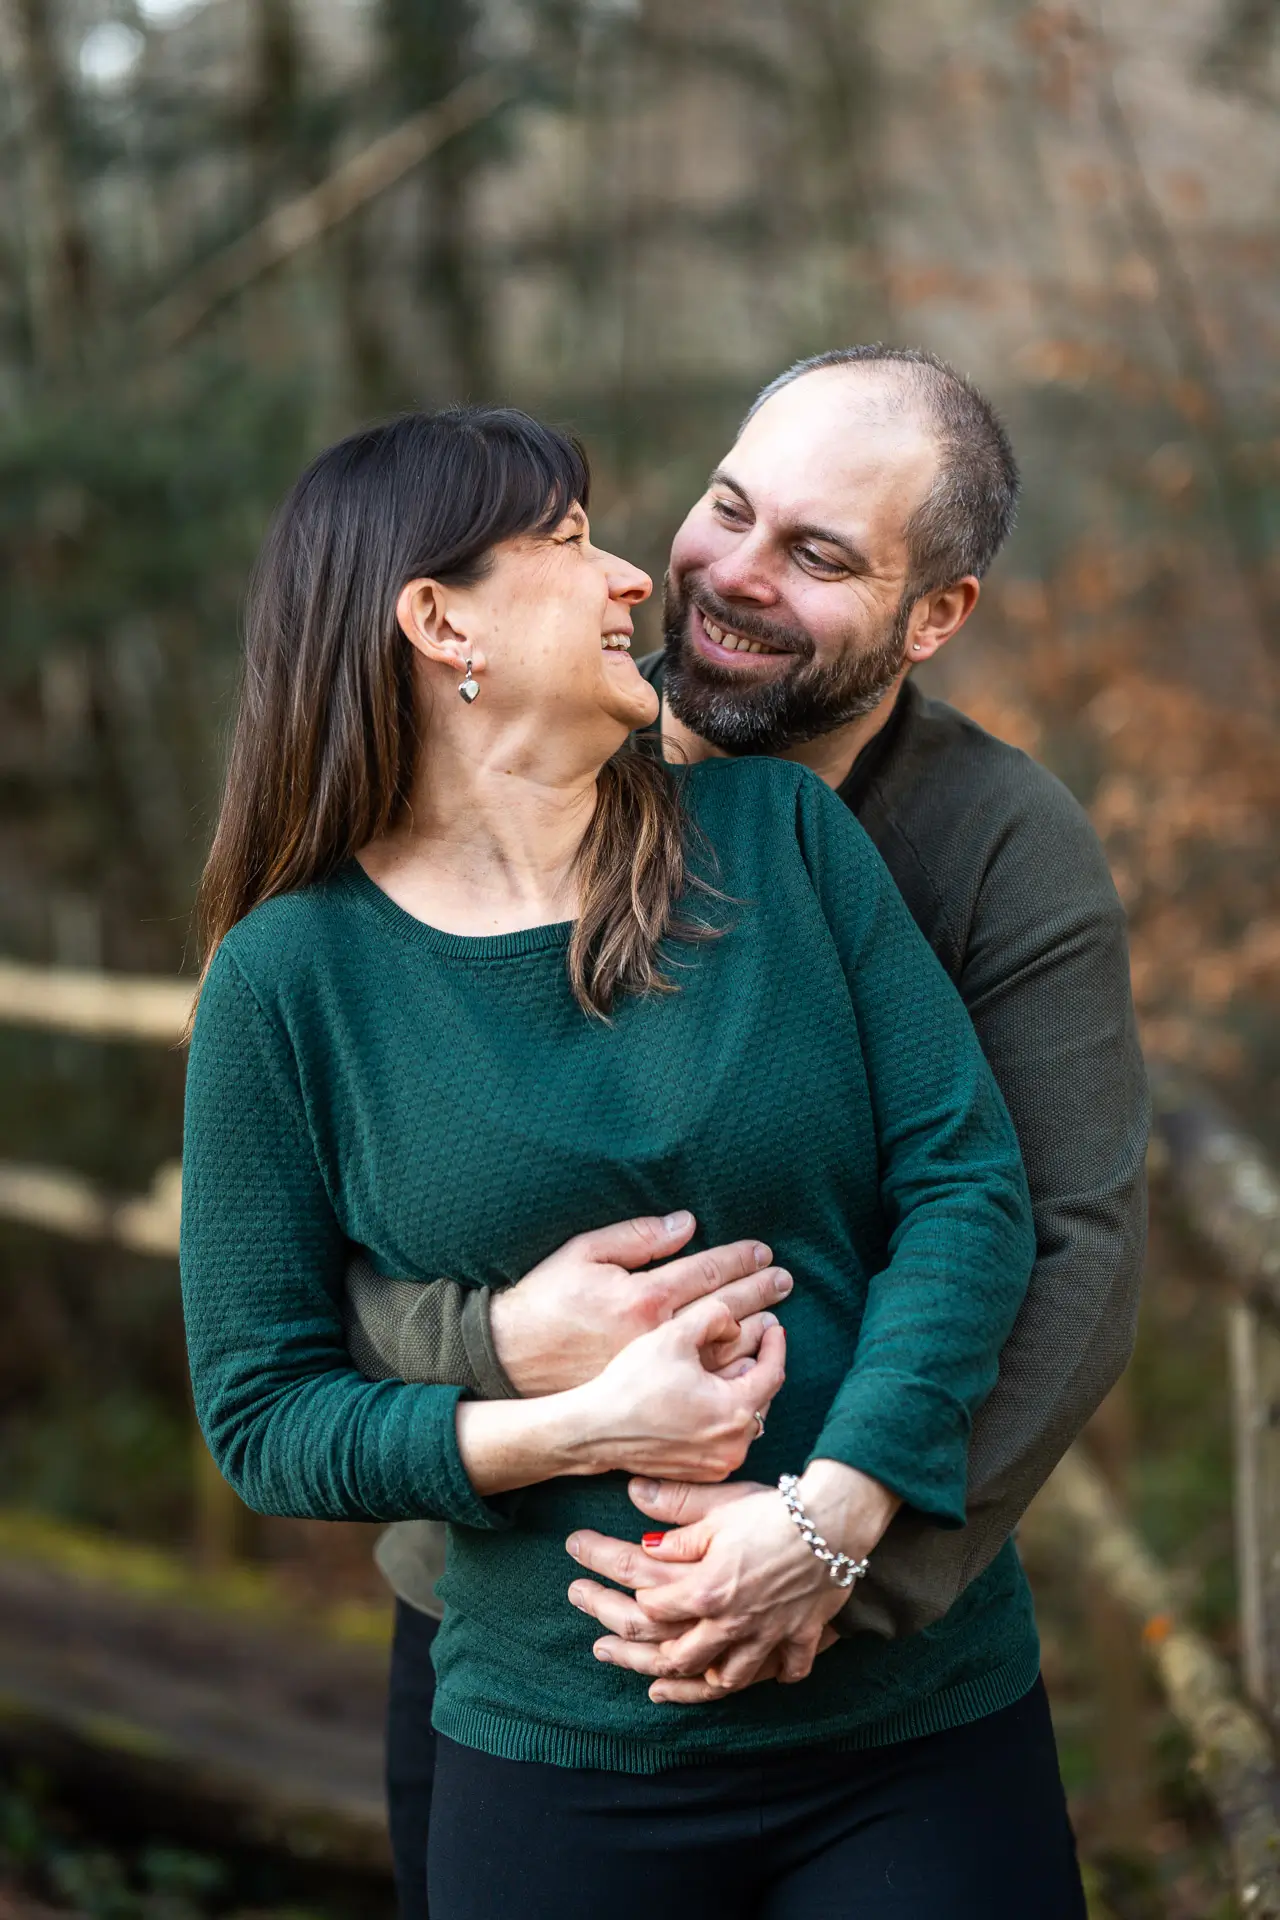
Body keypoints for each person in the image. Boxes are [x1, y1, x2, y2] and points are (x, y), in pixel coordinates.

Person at [179, 405, 1072, 1920]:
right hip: (558, 1755)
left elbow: (968, 1189)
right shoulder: (288, 981)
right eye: (573, 538)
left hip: (912, 1731)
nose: (635, 583)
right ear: (435, 616)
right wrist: (580, 1421)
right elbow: (262, 1414)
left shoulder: (778, 838)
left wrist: (829, 1514)